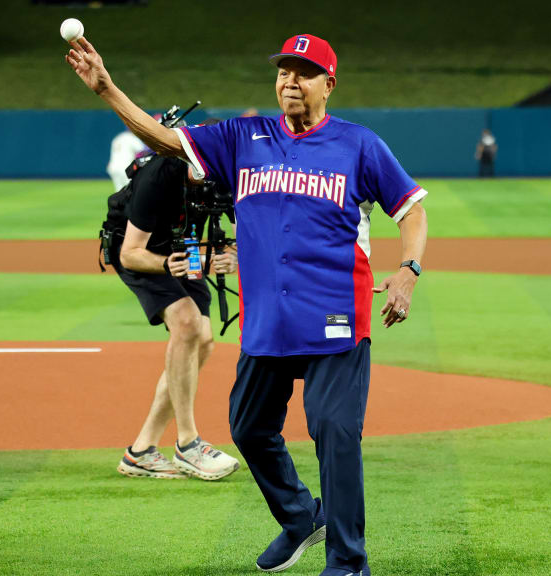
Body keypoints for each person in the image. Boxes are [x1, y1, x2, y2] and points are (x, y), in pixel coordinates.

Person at [66, 32, 427, 576]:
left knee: (333, 429)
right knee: (248, 425)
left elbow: (411, 209)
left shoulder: (358, 144)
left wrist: (408, 270)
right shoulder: (242, 137)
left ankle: (348, 562)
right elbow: (166, 141)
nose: (290, 80)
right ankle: (302, 517)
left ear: (329, 83)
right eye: (284, 70)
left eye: (304, 72)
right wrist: (107, 89)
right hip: (269, 318)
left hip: (335, 314)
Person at [105, 136, 241, 481]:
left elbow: (242, 232)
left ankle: (141, 451)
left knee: (204, 340)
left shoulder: (227, 175)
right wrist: (167, 264)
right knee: (186, 323)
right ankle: (188, 443)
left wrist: (231, 256)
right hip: (141, 251)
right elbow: (129, 253)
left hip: (186, 246)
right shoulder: (160, 175)